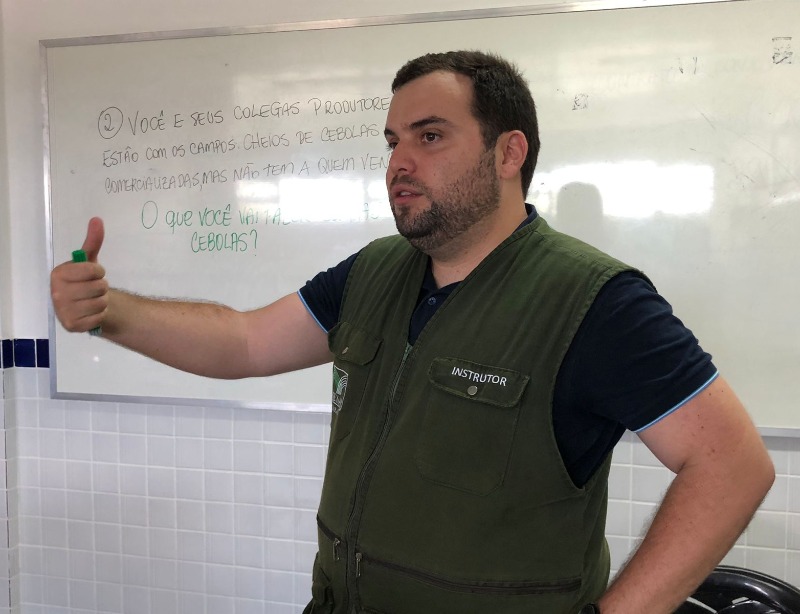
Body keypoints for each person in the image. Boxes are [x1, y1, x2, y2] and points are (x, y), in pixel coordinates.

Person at [51, 50, 774, 614]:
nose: (400, 162)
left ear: (509, 153)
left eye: (430, 136)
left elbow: (733, 466)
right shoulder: (373, 272)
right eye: (394, 141)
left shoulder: (592, 301)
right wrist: (112, 311)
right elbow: (244, 342)